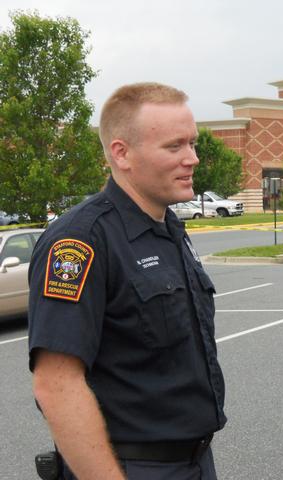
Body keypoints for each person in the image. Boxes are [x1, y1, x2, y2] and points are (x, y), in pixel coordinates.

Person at [28, 82, 226, 480]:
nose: (193, 158)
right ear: (122, 154)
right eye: (175, 147)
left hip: (193, 462)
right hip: (131, 467)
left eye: (192, 143)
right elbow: (56, 385)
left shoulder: (168, 227)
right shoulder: (81, 241)